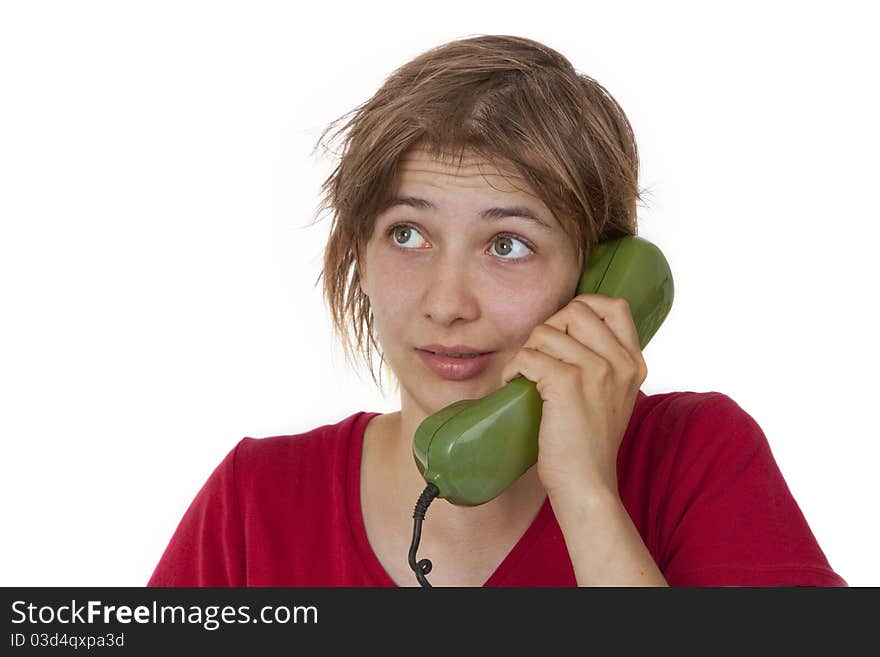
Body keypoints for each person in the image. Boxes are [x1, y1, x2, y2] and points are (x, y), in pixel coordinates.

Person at [147, 34, 846, 587]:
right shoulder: (253, 504)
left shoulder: (698, 459)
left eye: (507, 244)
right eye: (408, 234)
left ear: (598, 276)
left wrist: (586, 493)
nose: (447, 304)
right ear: (358, 250)